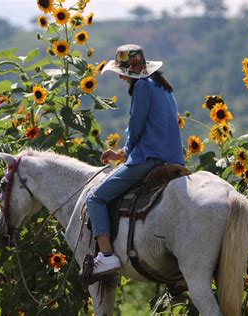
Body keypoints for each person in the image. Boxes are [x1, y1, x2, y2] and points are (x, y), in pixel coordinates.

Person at [86, 44, 185, 276]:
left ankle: (107, 256)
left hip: (148, 158)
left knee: (95, 198)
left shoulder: (141, 86)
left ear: (126, 72)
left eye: (121, 72)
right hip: (173, 159)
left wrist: (124, 152)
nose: (120, 77)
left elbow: (137, 124)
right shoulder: (163, 86)